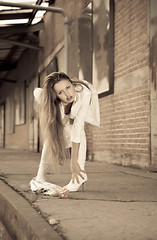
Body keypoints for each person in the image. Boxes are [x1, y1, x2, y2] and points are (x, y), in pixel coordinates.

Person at [30, 71, 100, 198]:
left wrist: (74, 163)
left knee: (79, 132)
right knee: (51, 135)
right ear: (56, 95)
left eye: (68, 87)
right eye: (60, 92)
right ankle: (40, 174)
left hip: (77, 117)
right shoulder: (47, 98)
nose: (67, 94)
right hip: (61, 118)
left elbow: (78, 128)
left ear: (72, 84)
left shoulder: (85, 93)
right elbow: (36, 92)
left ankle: (80, 176)